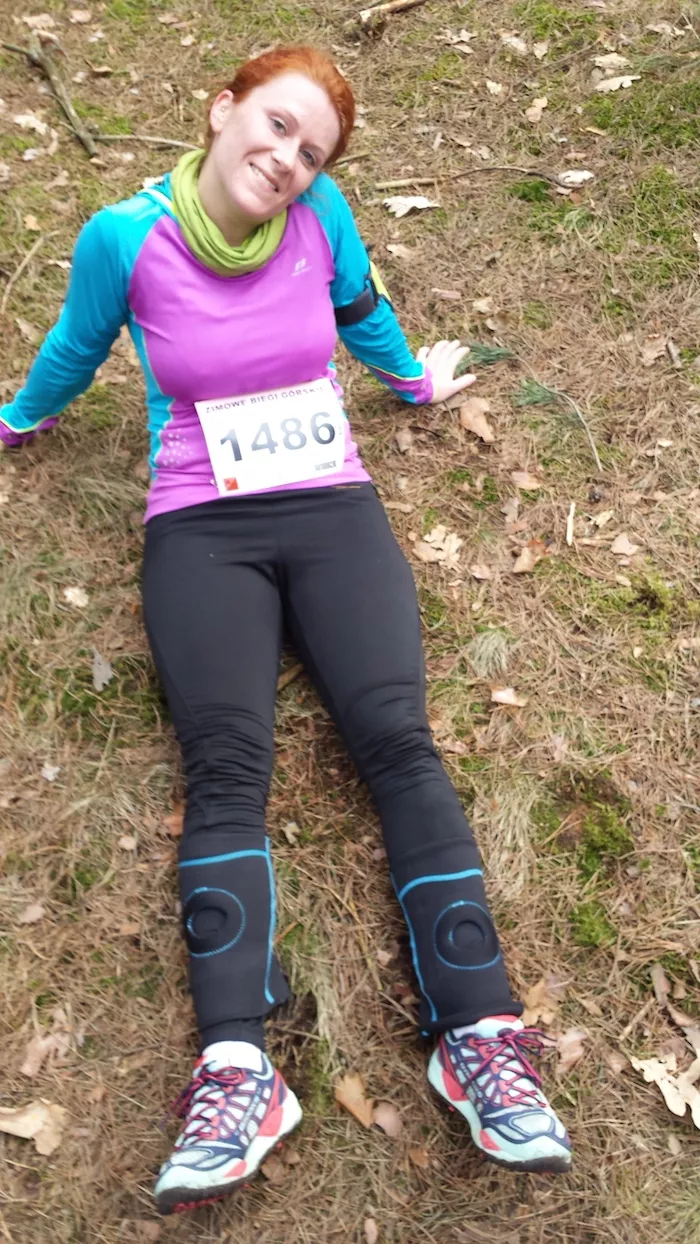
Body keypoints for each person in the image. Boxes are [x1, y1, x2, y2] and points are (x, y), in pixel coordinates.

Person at [0, 44, 572, 1216]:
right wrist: (13, 420)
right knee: (225, 763)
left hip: (330, 506)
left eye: (310, 152)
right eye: (273, 126)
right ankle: (236, 1070)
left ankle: (479, 1035)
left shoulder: (320, 219)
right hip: (198, 518)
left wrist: (410, 382)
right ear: (222, 110)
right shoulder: (124, 236)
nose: (285, 159)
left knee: (397, 740)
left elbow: (359, 309)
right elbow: (74, 348)